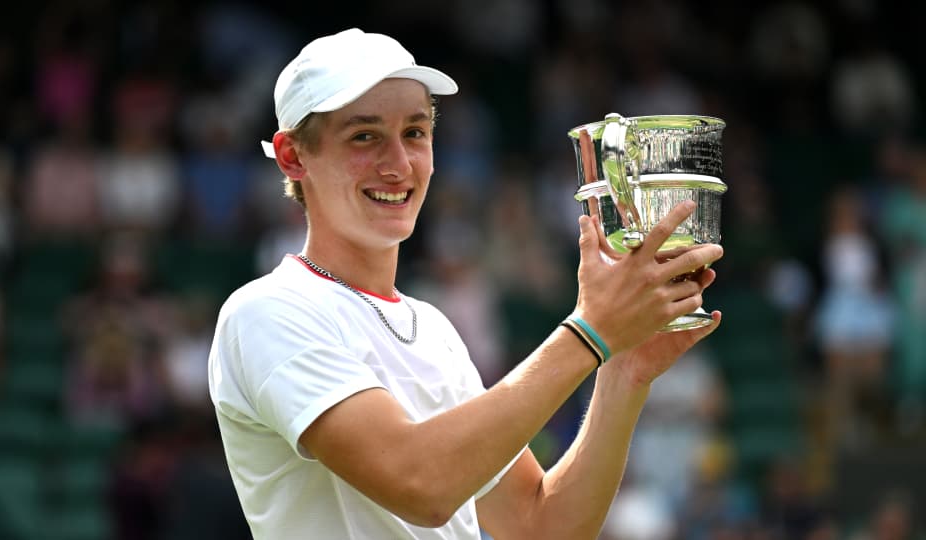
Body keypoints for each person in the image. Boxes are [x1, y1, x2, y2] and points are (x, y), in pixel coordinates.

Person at [207, 28, 724, 540]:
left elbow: (541, 526)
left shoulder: (432, 329)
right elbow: (421, 484)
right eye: (364, 136)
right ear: (294, 156)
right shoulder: (266, 311)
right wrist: (591, 332)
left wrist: (622, 371)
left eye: (414, 133)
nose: (399, 164)